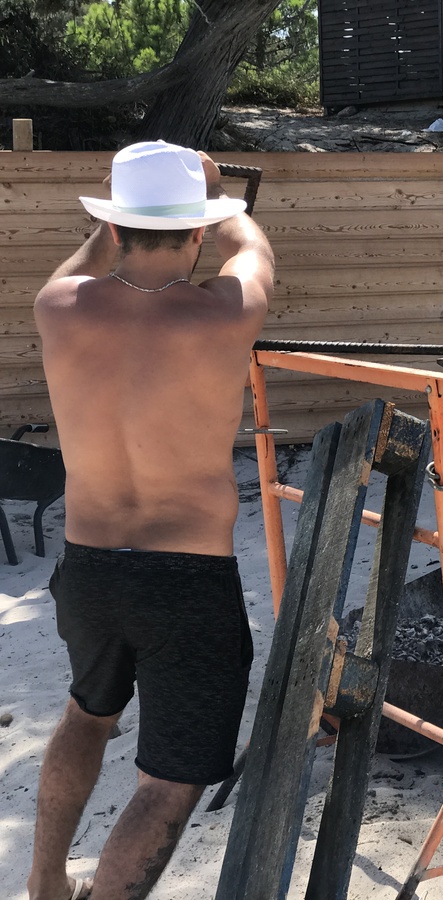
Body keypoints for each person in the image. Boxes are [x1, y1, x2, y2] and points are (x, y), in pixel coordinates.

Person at [27, 141, 275, 900]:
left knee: (86, 713)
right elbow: (252, 244)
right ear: (197, 230)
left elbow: (96, 253)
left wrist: (123, 210)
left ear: (114, 221)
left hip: (90, 567)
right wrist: (217, 191)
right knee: (169, 782)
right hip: (187, 581)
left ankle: (43, 885)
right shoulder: (225, 313)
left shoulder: (58, 307)